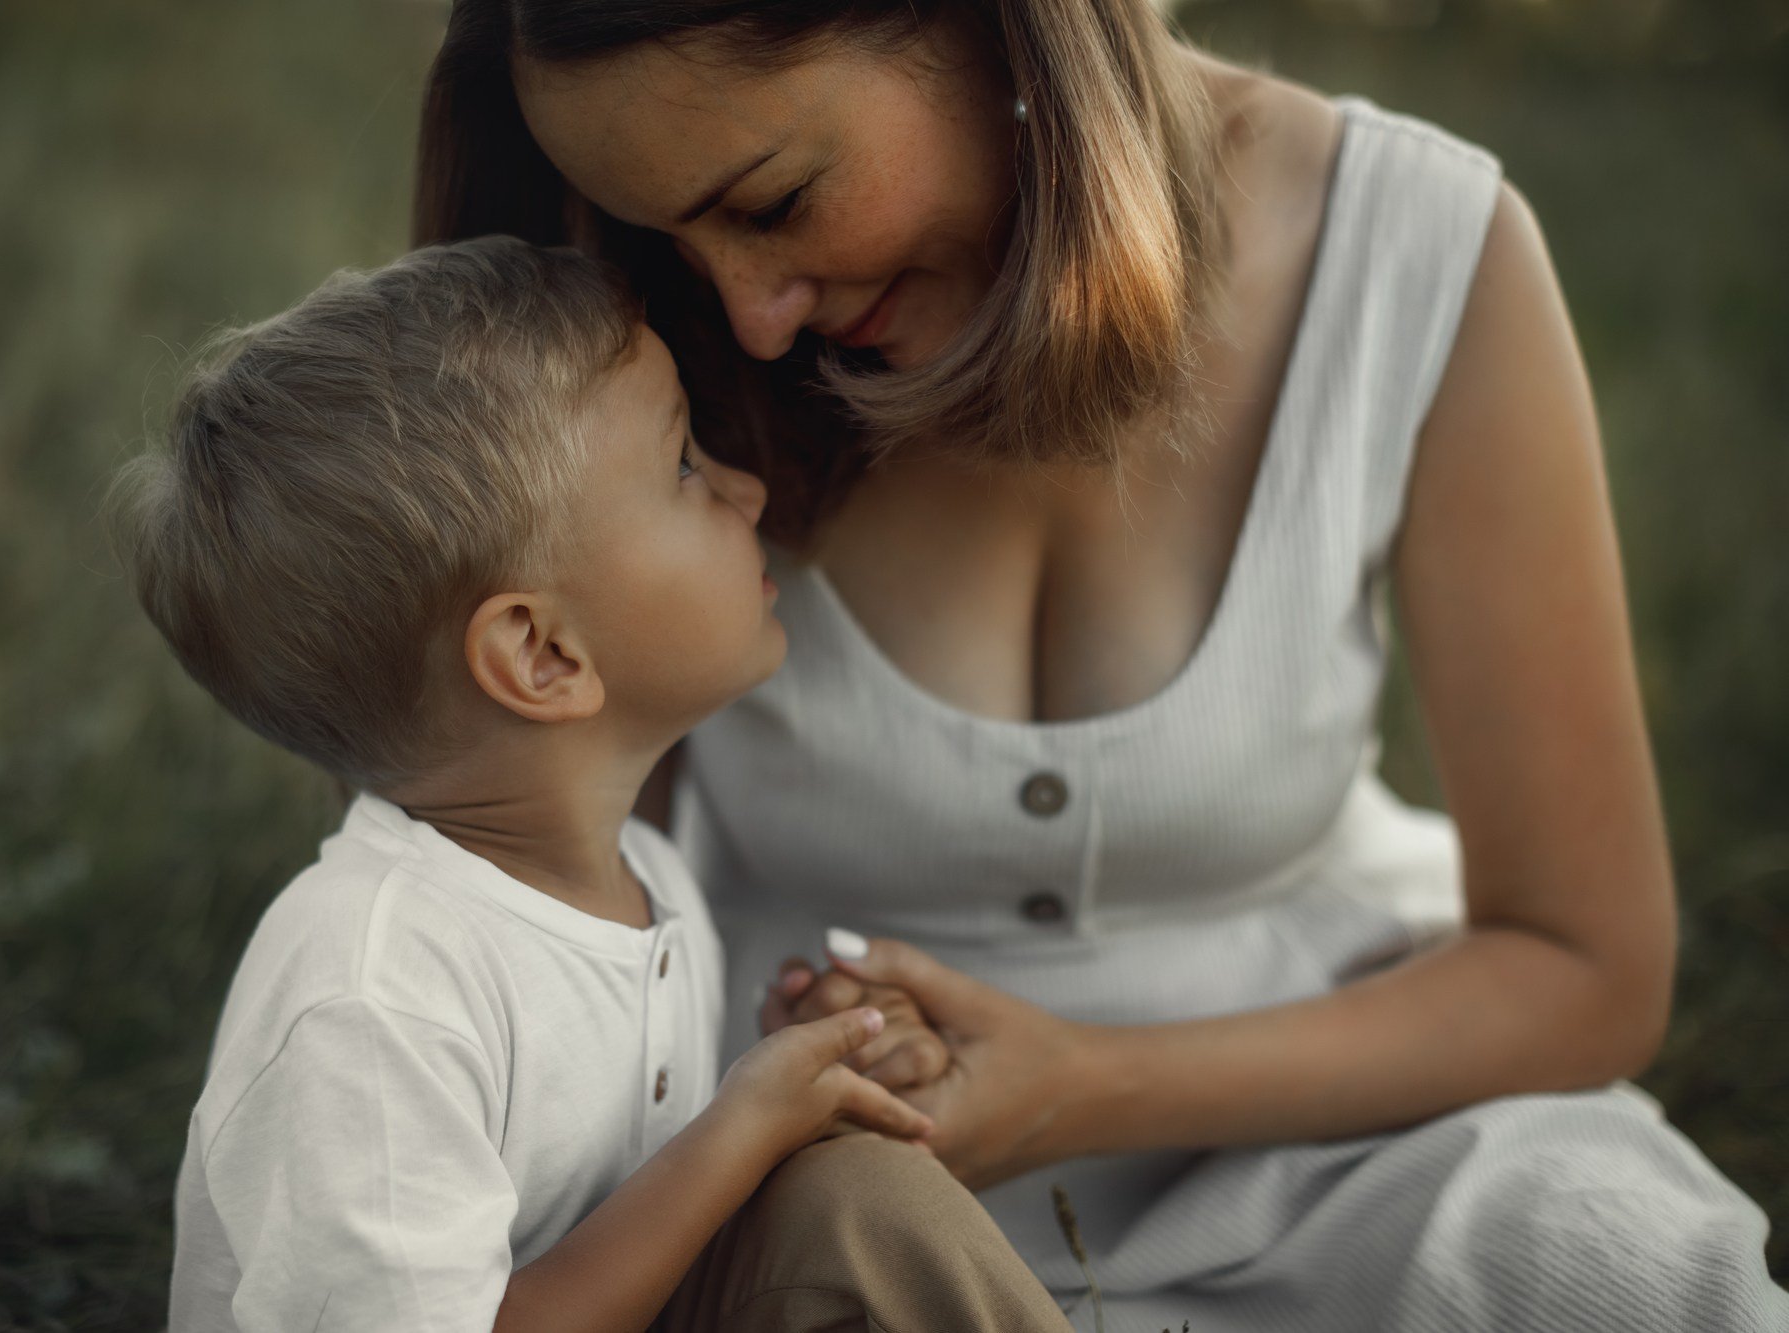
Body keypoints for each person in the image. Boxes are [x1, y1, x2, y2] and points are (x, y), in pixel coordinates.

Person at [413, 2, 1789, 1329]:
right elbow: (518, 931)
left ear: (985, 21)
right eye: (672, 237)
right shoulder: (651, 352)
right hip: (838, 1183)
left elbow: (1583, 968)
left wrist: (1086, 1086)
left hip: (1347, 1133)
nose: (753, 320)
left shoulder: (1412, 254)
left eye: (775, 204)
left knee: (1608, 1275)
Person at [120, 239, 1076, 1332]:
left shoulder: (646, 879)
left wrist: (785, 1078)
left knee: (862, 1198)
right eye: (684, 466)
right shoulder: (373, 990)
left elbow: (628, 1211)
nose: (746, 488)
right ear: (542, 654)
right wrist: (737, 1131)